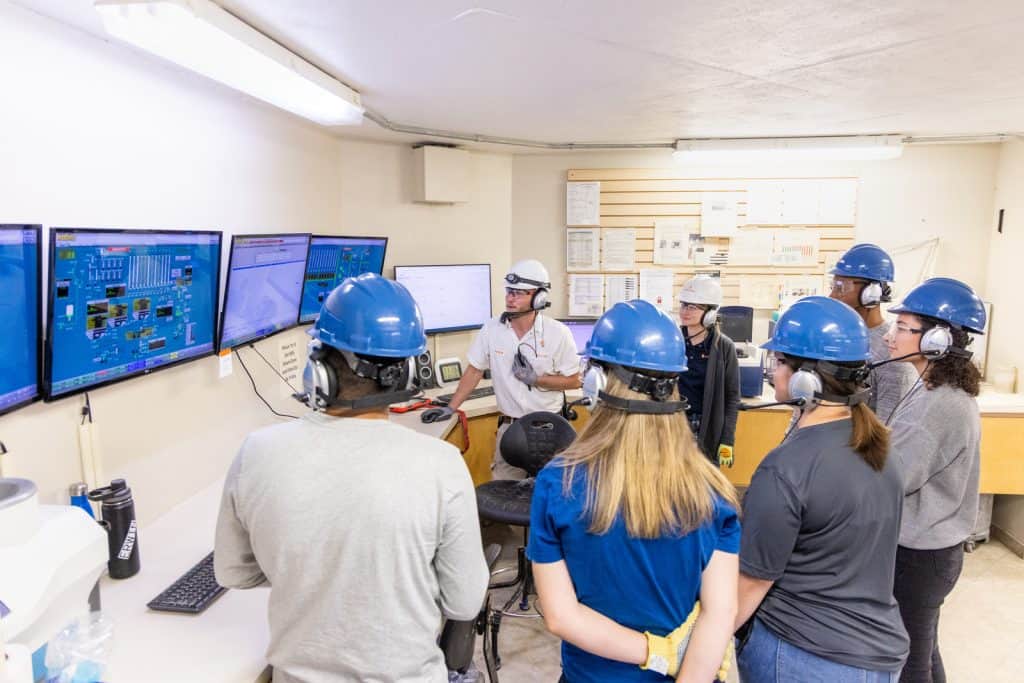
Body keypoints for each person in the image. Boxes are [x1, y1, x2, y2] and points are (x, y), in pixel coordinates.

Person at [214, 273, 489, 683]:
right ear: (411, 373)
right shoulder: (441, 464)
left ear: (318, 367)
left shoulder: (256, 452)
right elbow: (464, 604)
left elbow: (233, 574)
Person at [528, 299, 741, 683]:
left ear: (597, 385)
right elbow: (720, 612)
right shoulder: (715, 492)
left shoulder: (557, 483)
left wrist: (656, 654)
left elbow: (561, 617)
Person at [735, 296, 909, 683]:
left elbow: (752, 581)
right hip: (878, 656)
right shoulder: (883, 448)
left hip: (805, 654)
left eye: (779, 362)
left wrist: (700, 645)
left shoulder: (786, 467)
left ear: (805, 380)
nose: (773, 371)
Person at [884, 277, 986, 683]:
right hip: (927, 551)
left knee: (909, 662)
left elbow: (895, 476)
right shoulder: (929, 389)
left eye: (903, 328)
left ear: (937, 340)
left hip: (920, 557)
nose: (891, 337)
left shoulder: (941, 407)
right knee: (924, 651)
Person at [436, 259, 581, 479]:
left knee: (552, 498)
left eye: (519, 293)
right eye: (509, 291)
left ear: (539, 297)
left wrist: (536, 380)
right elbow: (474, 371)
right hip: (510, 429)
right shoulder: (491, 329)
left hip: (549, 429)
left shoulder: (558, 333)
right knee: (502, 495)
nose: (510, 298)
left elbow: (575, 380)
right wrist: (451, 407)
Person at [829, 243, 916, 422]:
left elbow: (888, 431)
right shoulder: (837, 339)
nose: (832, 295)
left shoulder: (892, 352)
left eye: (841, 287)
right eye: (833, 286)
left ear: (871, 292)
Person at [676, 275, 740, 466]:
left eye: (693, 307)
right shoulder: (673, 341)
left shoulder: (723, 347)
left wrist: (728, 440)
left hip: (703, 427)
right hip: (672, 423)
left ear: (711, 313)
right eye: (683, 304)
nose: (685, 311)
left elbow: (732, 397)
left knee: (700, 486)